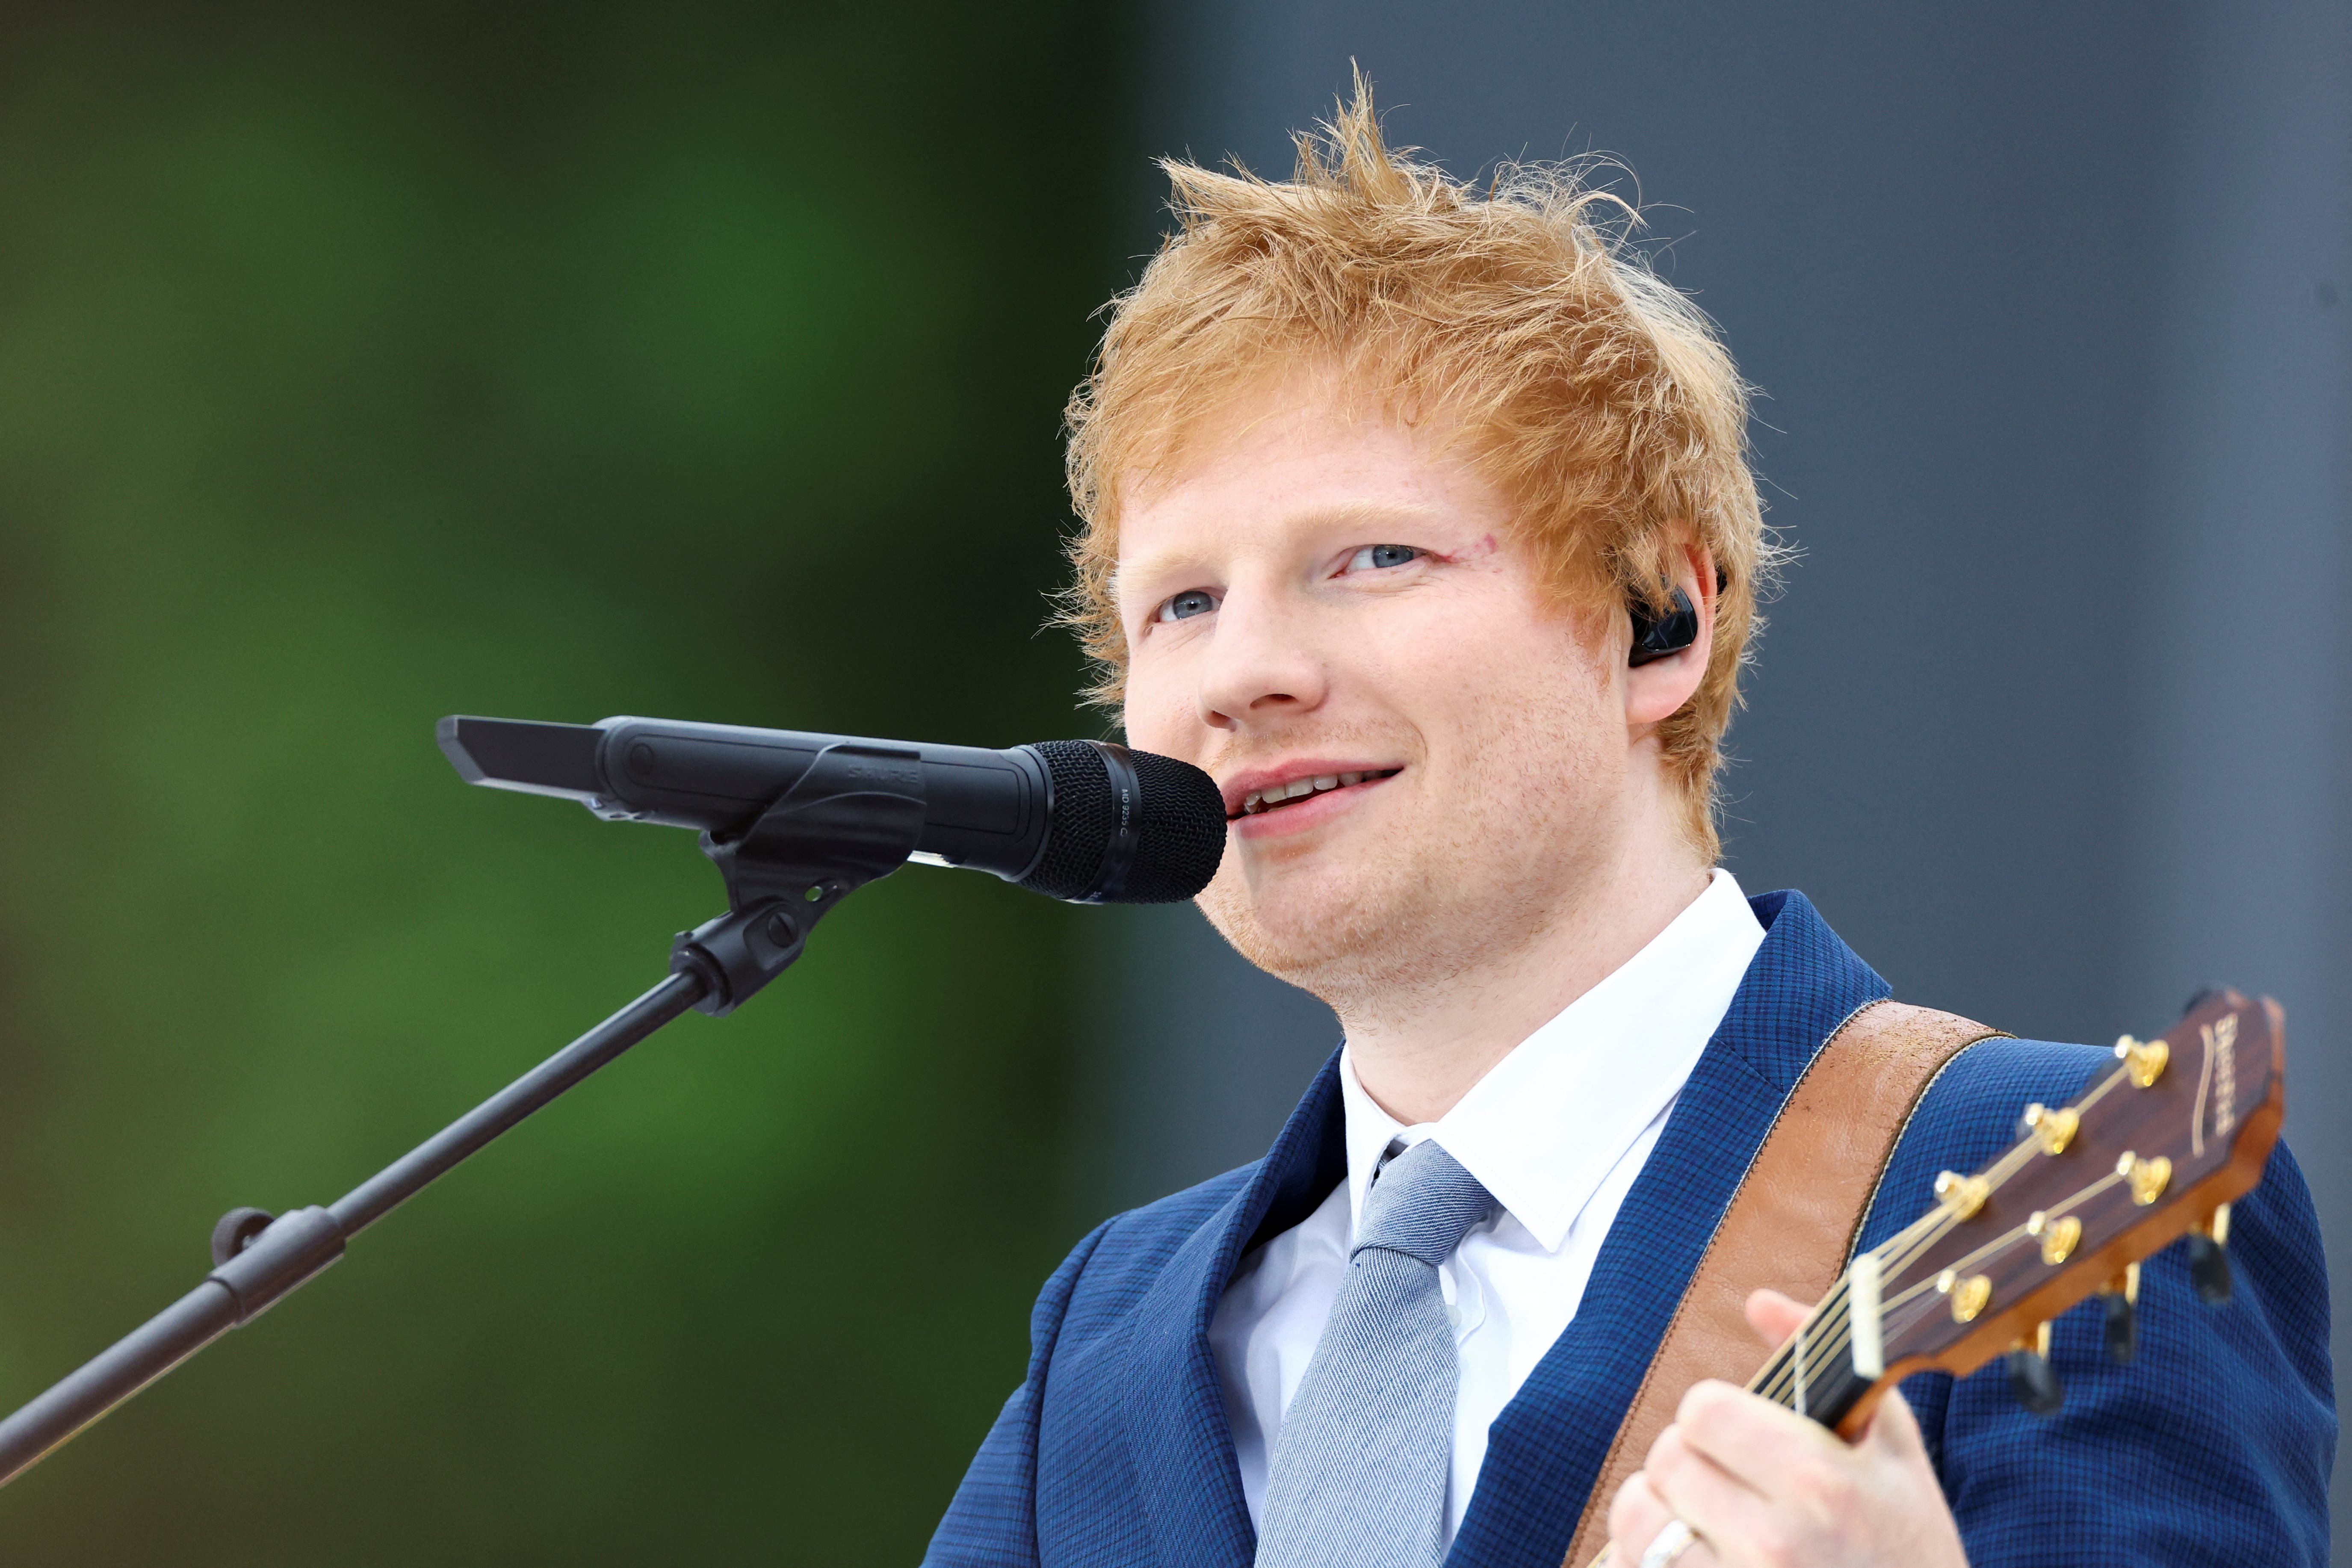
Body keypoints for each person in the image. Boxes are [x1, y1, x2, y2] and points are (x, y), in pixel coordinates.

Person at [925, 82, 2334, 1568]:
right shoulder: (1119, 1324)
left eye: (1372, 557)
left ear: (1658, 621)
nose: (1242, 672)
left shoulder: (2050, 1182)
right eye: (1182, 603)